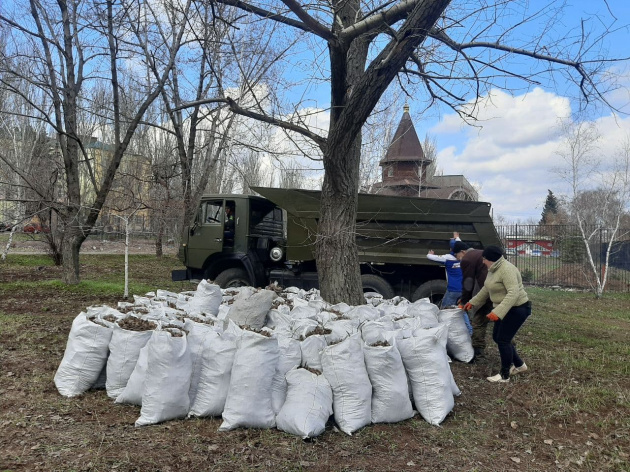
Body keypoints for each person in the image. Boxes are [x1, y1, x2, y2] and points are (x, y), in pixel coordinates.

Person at [463, 245, 531, 383]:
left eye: (484, 259)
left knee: (503, 340)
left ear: (491, 259)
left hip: (518, 309)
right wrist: (473, 302)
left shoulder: (507, 269)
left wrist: (497, 312)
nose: (483, 261)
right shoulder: (493, 269)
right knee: (497, 337)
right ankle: (519, 365)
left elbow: (513, 293)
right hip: (505, 308)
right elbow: (486, 289)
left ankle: (504, 375)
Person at [453, 241, 493, 359]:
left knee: (479, 321)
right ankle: (510, 350)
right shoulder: (479, 253)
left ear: (462, 252)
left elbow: (468, 282)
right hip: (497, 291)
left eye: (457, 255)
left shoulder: (467, 259)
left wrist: (464, 301)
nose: (458, 259)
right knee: (502, 322)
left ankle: (478, 351)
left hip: (487, 292)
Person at [427, 232, 472, 334]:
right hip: (463, 290)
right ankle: (469, 331)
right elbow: (462, 246)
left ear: (451, 249)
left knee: (444, 309)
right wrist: (457, 238)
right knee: (461, 310)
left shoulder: (447, 258)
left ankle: (443, 330)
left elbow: (430, 257)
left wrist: (430, 254)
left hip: (452, 290)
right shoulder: (464, 257)